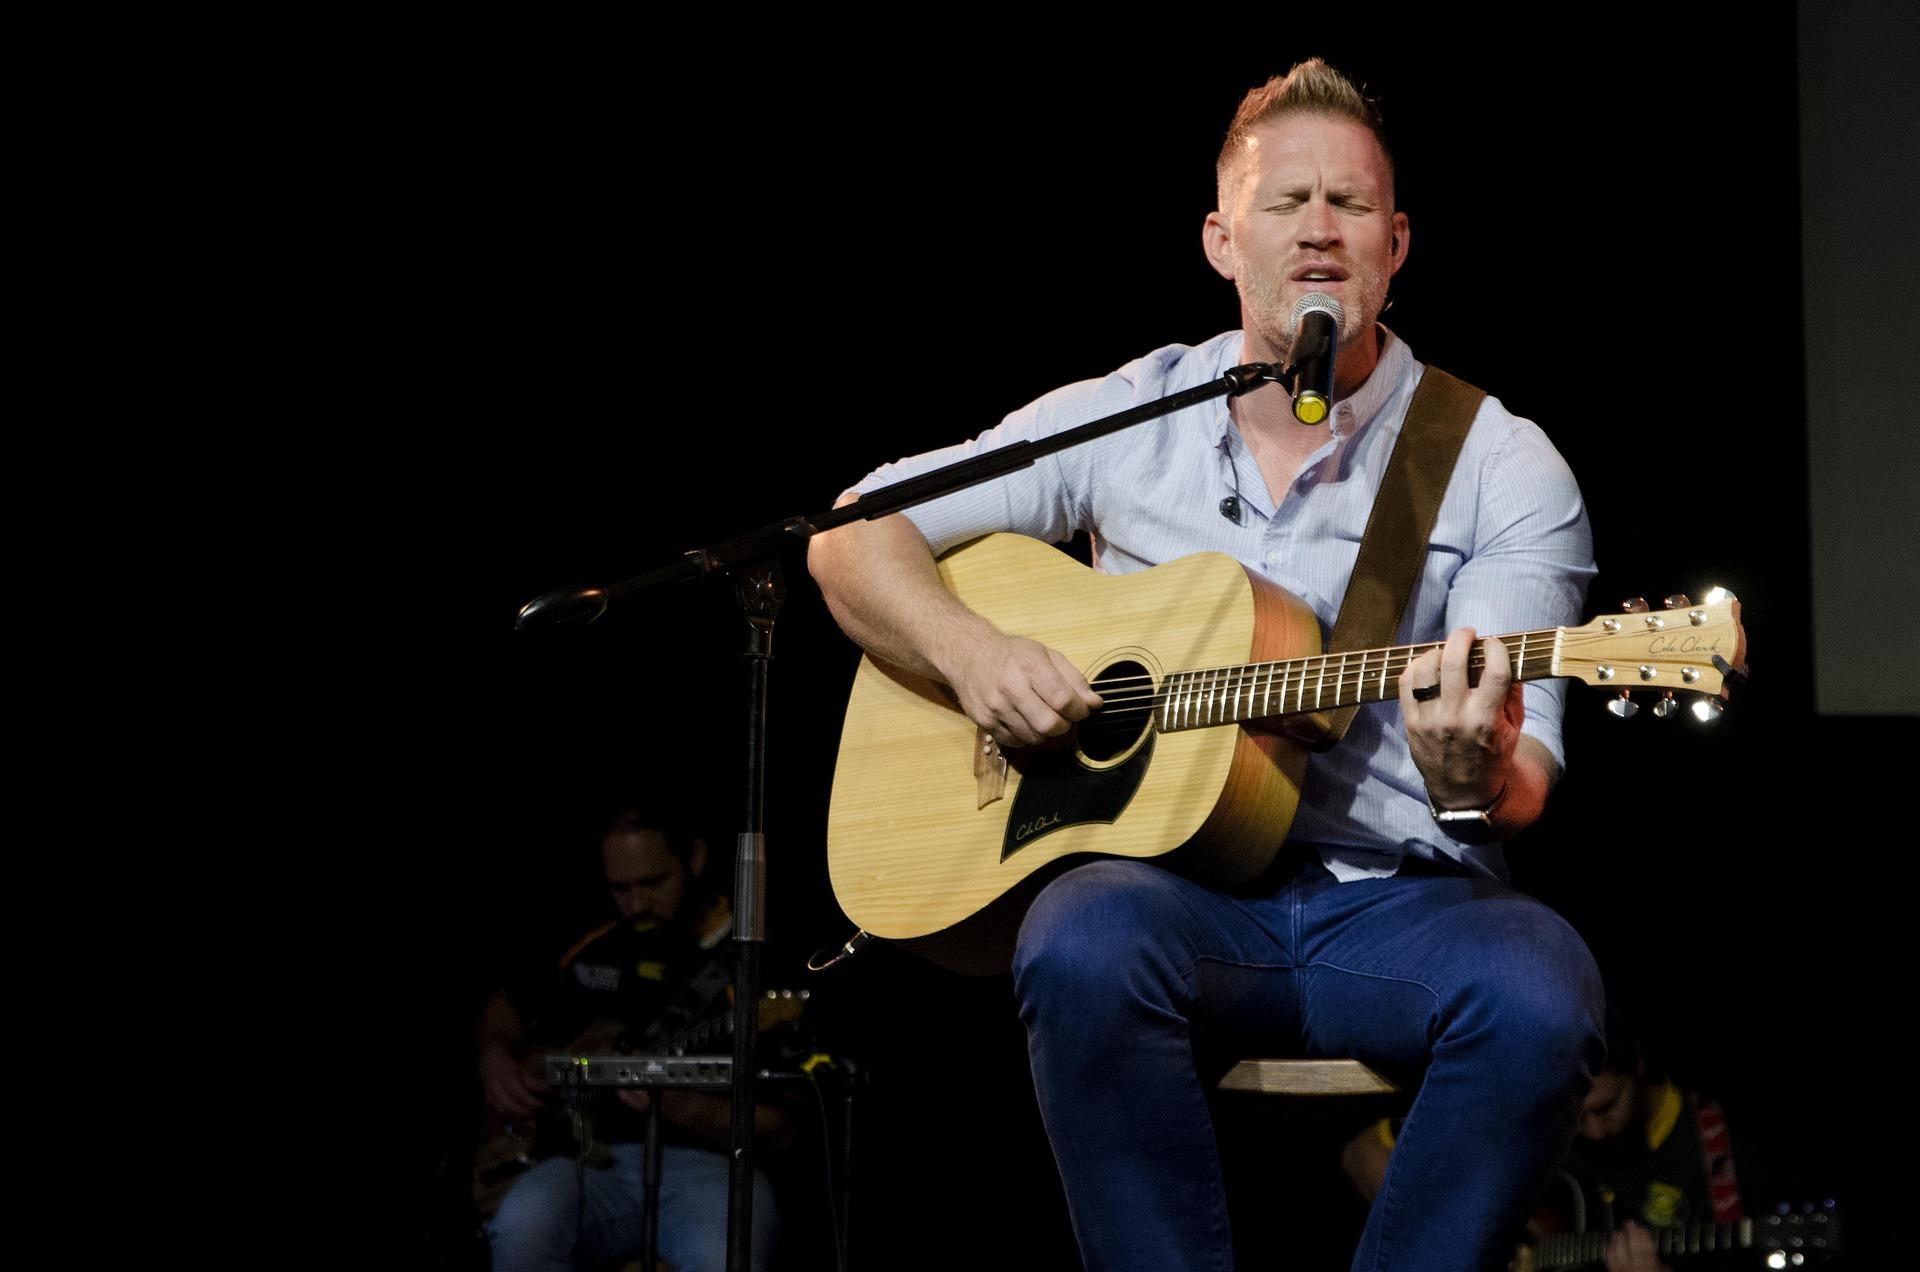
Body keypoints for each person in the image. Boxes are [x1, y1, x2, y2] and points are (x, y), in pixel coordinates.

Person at [807, 60, 1739, 1271]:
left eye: (1349, 206)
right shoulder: (1126, 412)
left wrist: (1470, 772)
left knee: (1545, 992)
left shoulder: (1500, 463)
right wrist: (975, 655)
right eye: (1284, 202)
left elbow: (1522, 783)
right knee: (1078, 937)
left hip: (1404, 907)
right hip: (1175, 897)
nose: (1317, 230)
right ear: (1220, 238)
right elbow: (852, 535)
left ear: (1396, 244)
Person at [478, 810, 787, 1272]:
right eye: (621, 889)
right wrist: (493, 1057)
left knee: (724, 1255)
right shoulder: (591, 936)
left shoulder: (749, 953)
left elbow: (785, 1129)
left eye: (654, 882)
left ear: (695, 859)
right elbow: (505, 1005)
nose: (637, 902)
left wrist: (680, 1106)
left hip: (711, 1169)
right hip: (583, 1159)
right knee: (524, 1225)